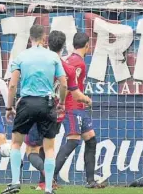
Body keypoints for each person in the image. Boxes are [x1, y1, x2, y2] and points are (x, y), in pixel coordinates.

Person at [2, 25, 67, 194]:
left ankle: (15, 183)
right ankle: (49, 189)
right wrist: (62, 102)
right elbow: (64, 83)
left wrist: (9, 107)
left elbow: (13, 85)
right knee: (49, 148)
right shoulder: (53, 56)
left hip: (27, 103)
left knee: (16, 143)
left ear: (30, 38)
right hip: (47, 103)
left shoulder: (21, 57)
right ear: (44, 38)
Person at [24, 30, 92, 191]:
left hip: (35, 107)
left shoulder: (38, 62)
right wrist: (86, 100)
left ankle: (46, 176)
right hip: (55, 112)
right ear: (63, 47)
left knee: (32, 150)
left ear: (47, 42)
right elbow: (72, 91)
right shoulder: (67, 67)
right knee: (48, 148)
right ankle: (46, 181)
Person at [53, 32, 104, 189]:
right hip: (72, 107)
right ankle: (49, 177)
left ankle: (91, 181)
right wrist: (74, 100)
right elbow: (65, 83)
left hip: (78, 107)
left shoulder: (70, 59)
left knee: (91, 140)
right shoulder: (78, 63)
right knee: (73, 141)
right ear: (87, 45)